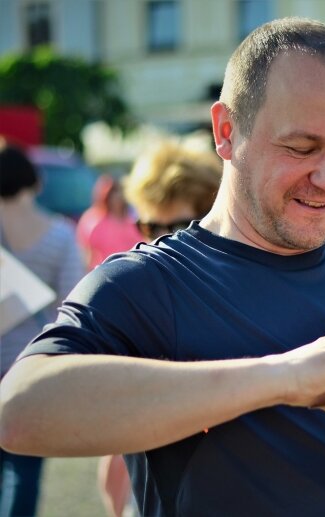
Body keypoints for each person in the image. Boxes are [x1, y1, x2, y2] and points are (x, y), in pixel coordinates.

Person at [0, 18, 325, 517]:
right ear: (226, 131)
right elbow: (19, 410)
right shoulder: (147, 283)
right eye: (302, 147)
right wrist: (288, 374)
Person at [96, 141, 222, 517]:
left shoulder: (226, 293)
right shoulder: (135, 291)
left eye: (178, 226)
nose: (162, 240)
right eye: (150, 225)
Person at [0, 140, 85, 517]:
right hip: (30, 365)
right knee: (24, 468)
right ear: (34, 181)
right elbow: (71, 304)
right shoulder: (59, 234)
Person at [76, 174, 143, 270]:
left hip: (131, 271)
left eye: (120, 191)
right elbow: (85, 254)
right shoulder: (92, 220)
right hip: (102, 272)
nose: (118, 196)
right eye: (114, 192)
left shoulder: (134, 218)